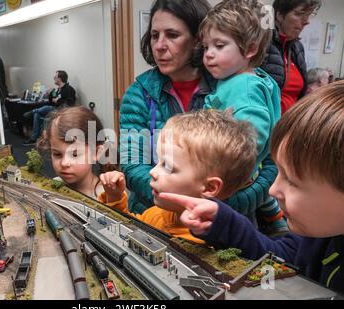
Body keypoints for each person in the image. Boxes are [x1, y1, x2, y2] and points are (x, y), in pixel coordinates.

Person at [161, 81, 344, 294]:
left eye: (292, 182)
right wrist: (222, 221)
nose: (273, 190)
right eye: (279, 173)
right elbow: (279, 256)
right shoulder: (316, 235)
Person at [120, 0, 278, 224]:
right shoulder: (139, 94)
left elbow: (269, 162)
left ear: (197, 39)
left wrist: (220, 207)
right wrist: (181, 201)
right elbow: (133, 164)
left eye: (172, 35)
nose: (159, 45)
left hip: (228, 219)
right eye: (155, 35)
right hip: (158, 219)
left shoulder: (235, 83)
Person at [100, 109, 257, 243]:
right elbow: (128, 234)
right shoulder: (156, 214)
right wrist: (115, 197)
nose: (152, 172)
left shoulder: (212, 244)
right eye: (158, 162)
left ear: (210, 187)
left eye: (167, 167)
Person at [200, 0, 286, 234]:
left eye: (219, 45)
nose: (208, 54)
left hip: (235, 179)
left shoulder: (244, 86)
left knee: (235, 232)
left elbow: (252, 135)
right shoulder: (249, 78)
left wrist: (221, 156)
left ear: (250, 49)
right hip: (243, 174)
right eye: (206, 47)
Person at [37, 106, 114, 199]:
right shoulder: (52, 185)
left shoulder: (109, 195)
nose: (64, 163)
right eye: (57, 154)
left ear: (96, 153)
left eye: (75, 154)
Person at [261, 0, 322, 114]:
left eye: (308, 15)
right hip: (268, 125)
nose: (306, 21)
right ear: (279, 15)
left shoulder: (297, 47)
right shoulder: (262, 43)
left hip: (290, 124)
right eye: (299, 14)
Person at [23, 71, 76, 146]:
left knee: (47, 108)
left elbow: (69, 103)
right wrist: (51, 93)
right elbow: (52, 101)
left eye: (55, 77)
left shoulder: (69, 89)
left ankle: (32, 111)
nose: (54, 78)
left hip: (62, 110)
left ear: (60, 79)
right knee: (37, 114)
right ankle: (34, 138)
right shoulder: (57, 90)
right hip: (54, 109)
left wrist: (58, 101)